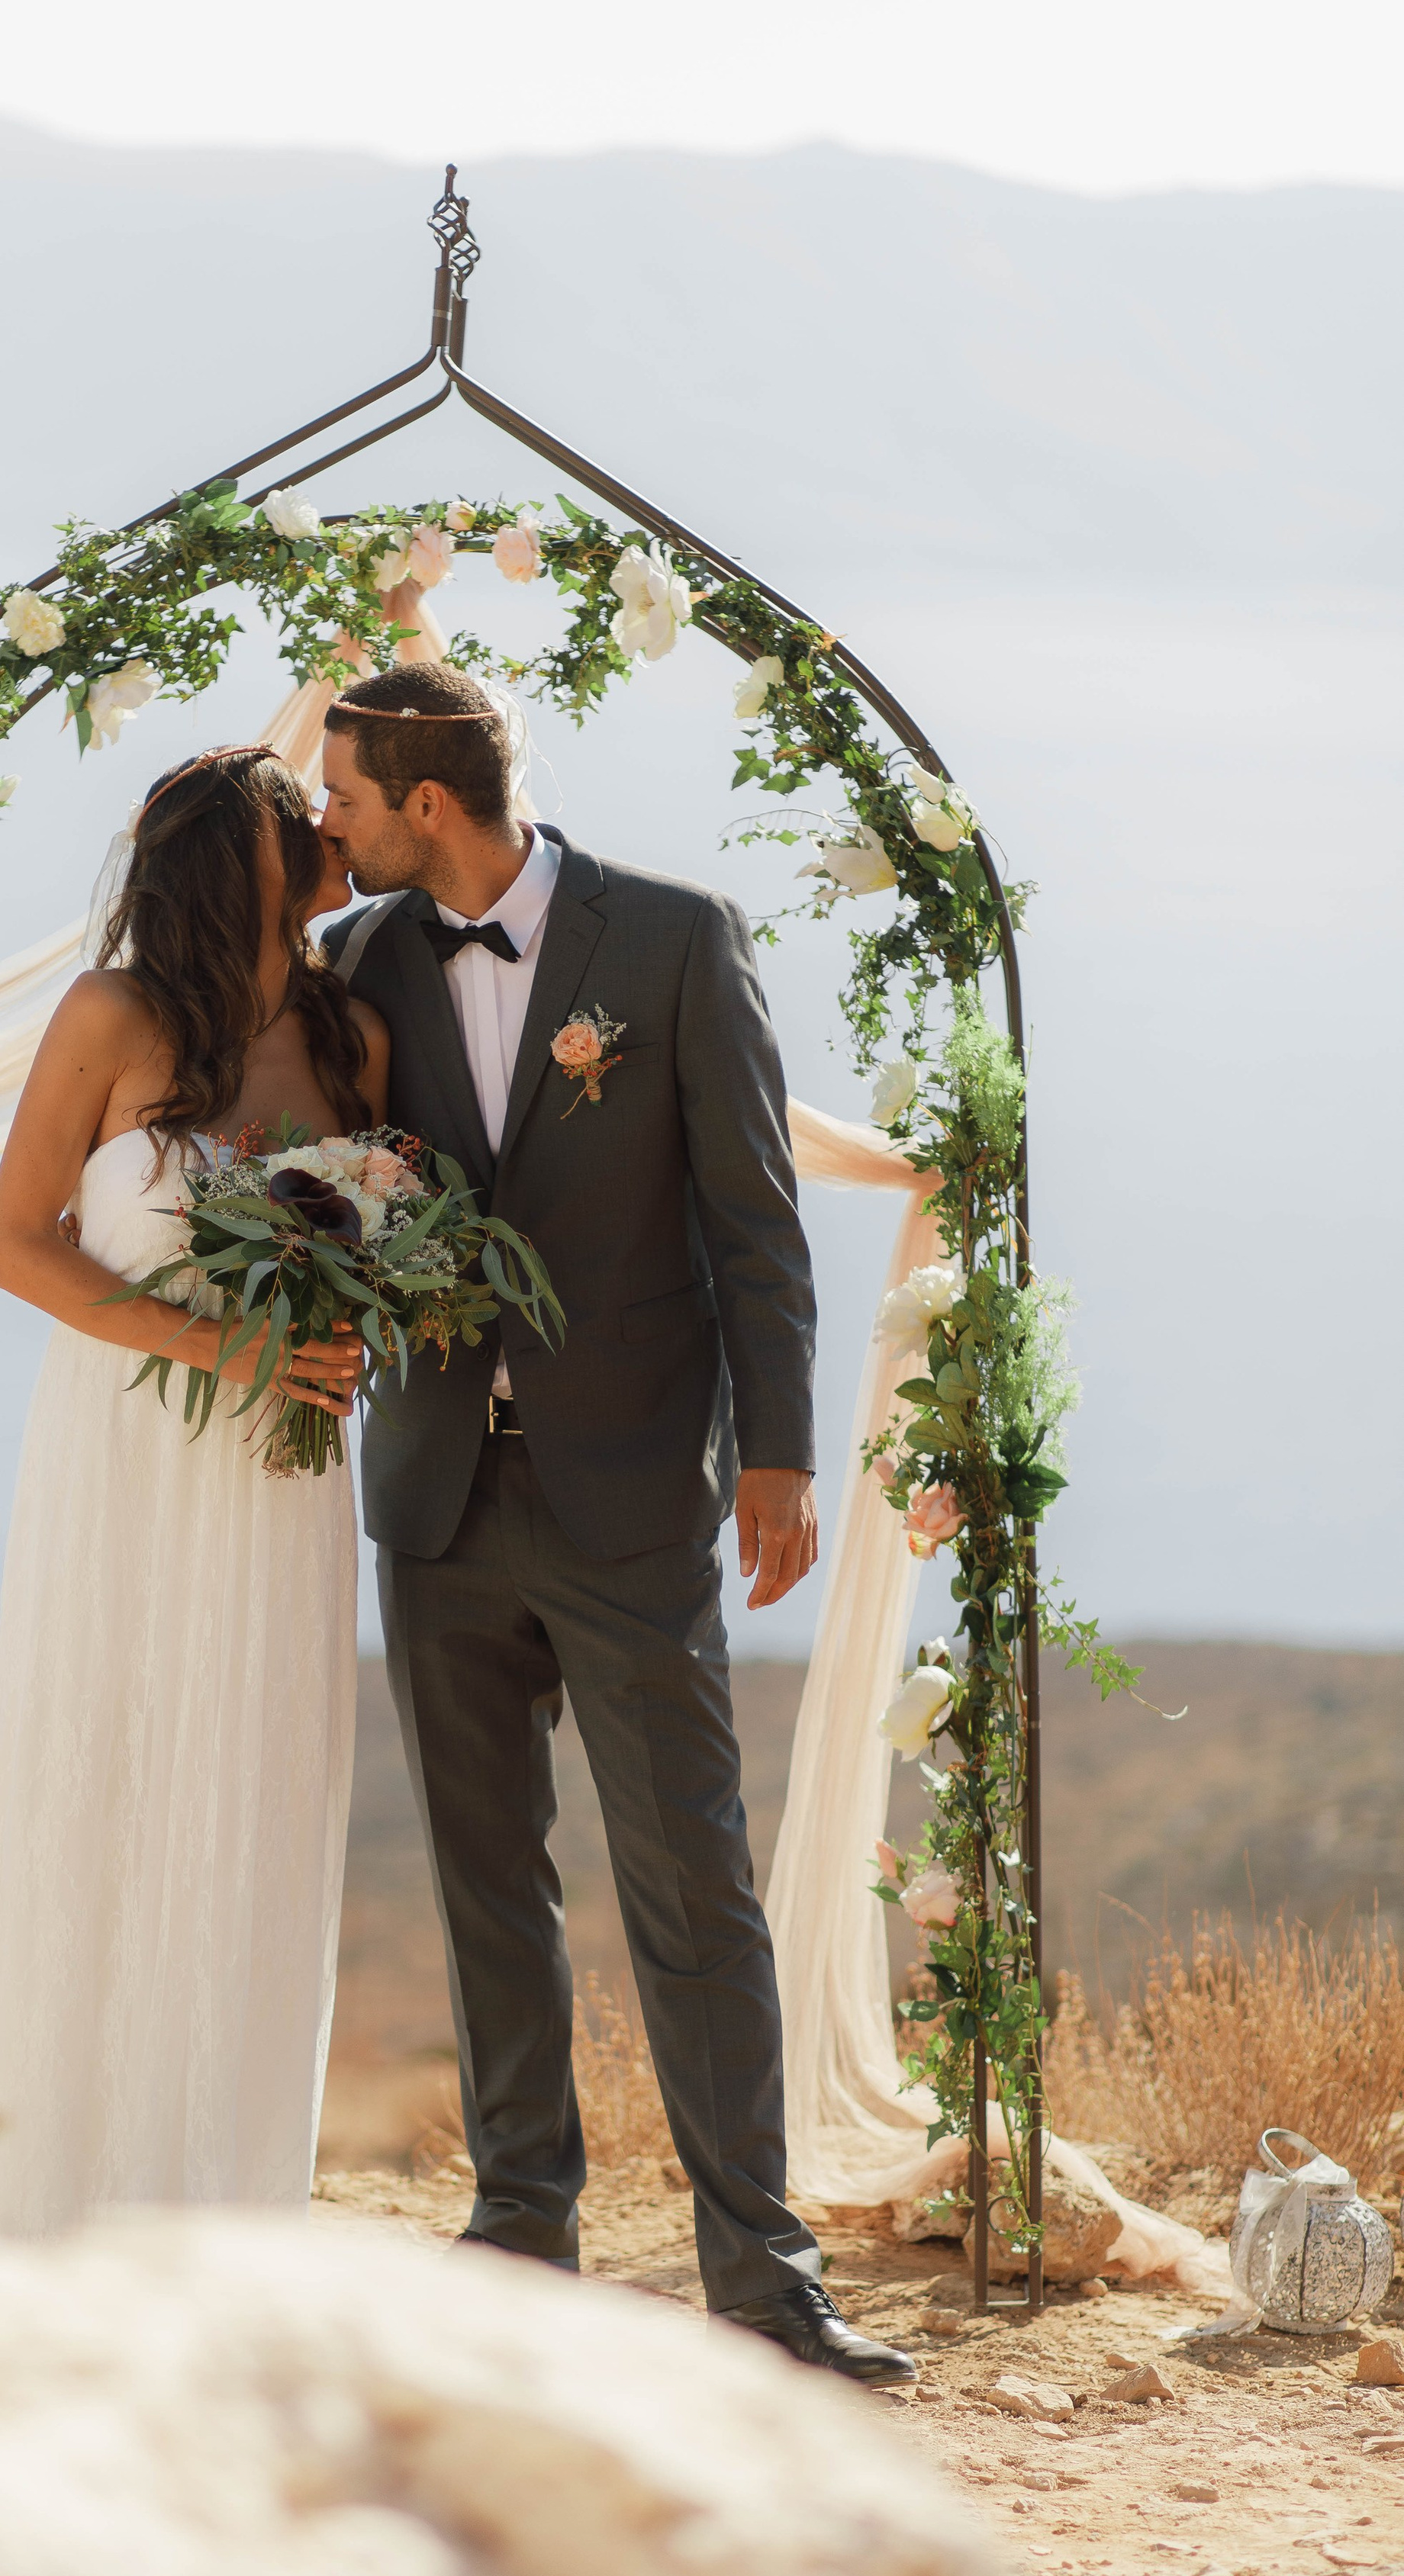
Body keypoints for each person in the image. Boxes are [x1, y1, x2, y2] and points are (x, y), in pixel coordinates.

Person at [320, 662, 912, 2385]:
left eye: (349, 797)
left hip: (633, 1492)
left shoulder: (669, 939)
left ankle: (763, 2280)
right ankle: (520, 2238)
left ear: (429, 800)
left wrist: (779, 1456)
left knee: (688, 1884)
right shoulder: (358, 965)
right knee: (482, 1881)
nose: (332, 825)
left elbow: (754, 1215)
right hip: (436, 1494)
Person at [0, 746, 377, 2233]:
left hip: (278, 1493)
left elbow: (372, 1230)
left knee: (254, 1812)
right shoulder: (111, 1016)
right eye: (304, 825)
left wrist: (356, 1325)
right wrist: (216, 1350)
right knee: (111, 1792)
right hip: (122, 1466)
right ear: (243, 868)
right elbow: (19, 1246)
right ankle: (71, 2211)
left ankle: (228, 2212)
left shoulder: (350, 1038)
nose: (332, 838)